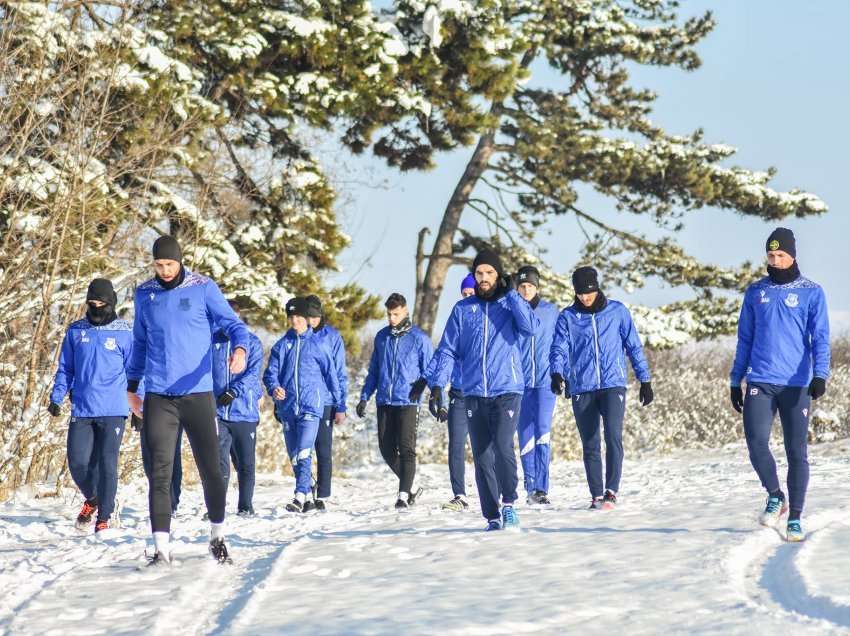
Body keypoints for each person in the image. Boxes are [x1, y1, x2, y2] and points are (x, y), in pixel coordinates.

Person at [127, 236, 249, 566]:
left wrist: (240, 350)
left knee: (211, 468)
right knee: (160, 472)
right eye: (158, 265)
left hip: (198, 395)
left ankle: (217, 536)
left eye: (169, 264)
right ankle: (161, 549)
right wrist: (131, 386)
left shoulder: (203, 288)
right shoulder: (145, 295)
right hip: (159, 396)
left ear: (180, 261)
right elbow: (139, 342)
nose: (164, 270)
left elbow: (234, 325)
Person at [427, 250, 539, 531]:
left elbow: (530, 327)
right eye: (479, 273)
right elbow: (447, 350)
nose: (484, 278)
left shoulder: (509, 305)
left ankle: (509, 504)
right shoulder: (463, 310)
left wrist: (513, 294)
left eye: (490, 273)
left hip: (507, 389)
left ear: (498, 275)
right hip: (474, 391)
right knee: (482, 455)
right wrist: (437, 384)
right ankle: (491, 515)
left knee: (502, 445)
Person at [730, 228, 829, 542]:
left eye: (781, 255)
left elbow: (821, 339)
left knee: (796, 451)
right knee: (756, 443)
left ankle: (796, 516)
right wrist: (736, 380)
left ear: (792, 255)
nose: (776, 260)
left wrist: (820, 375)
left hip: (795, 384)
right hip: (760, 379)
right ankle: (776, 494)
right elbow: (744, 339)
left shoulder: (812, 292)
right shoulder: (756, 292)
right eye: (771, 256)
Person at [549, 266, 653, 511]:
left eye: (589, 292)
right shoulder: (568, 317)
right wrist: (557, 372)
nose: (585, 297)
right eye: (580, 293)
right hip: (582, 387)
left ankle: (611, 491)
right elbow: (559, 349)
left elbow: (633, 346)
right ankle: (596, 495)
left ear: (597, 288)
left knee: (613, 436)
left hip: (612, 384)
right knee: (590, 442)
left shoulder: (617, 312)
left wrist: (645, 380)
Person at [48, 278, 132, 533]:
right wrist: (57, 396)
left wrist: (140, 407)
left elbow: (137, 372)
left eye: (101, 303)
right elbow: (66, 368)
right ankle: (94, 499)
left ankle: (104, 516)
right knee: (78, 462)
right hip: (82, 408)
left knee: (107, 463)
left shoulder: (125, 333)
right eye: (91, 303)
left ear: (111, 304)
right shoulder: (76, 331)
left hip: (114, 410)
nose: (96, 308)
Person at [263, 297, 340, 513]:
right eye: (292, 317)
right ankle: (307, 495)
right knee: (295, 456)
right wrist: (274, 388)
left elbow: (331, 375)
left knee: (305, 451)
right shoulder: (281, 345)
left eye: (299, 317)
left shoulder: (319, 345)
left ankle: (298, 496)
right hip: (288, 408)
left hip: (311, 407)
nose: (295, 321)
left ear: (307, 319)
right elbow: (270, 375)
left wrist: (339, 404)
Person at [357, 293, 433, 510]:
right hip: (385, 400)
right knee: (386, 449)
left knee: (406, 448)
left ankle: (402, 496)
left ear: (405, 311)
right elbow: (374, 370)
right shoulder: (382, 337)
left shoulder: (419, 338)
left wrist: (424, 384)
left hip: (408, 400)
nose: (392, 318)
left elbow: (431, 368)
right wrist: (364, 397)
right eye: (389, 314)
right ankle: (410, 484)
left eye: (396, 314)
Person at [421, 274, 476, 511]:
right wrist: (435, 388)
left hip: (483, 394)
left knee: (487, 447)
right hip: (459, 394)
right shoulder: (458, 317)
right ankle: (460, 495)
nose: (466, 297)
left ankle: (496, 493)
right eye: (464, 294)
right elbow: (444, 355)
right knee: (455, 444)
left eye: (470, 293)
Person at [213, 300, 264, 517]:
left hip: (244, 412)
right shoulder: (210, 341)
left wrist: (235, 391)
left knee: (245, 462)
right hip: (218, 412)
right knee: (218, 461)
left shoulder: (252, 342)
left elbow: (253, 375)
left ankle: (245, 506)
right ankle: (217, 507)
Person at [514, 266, 560, 505]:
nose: (526, 290)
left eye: (530, 286)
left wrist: (561, 373)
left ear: (537, 287)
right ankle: (530, 485)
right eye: (522, 287)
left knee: (542, 430)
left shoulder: (550, 311)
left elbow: (560, 345)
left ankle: (542, 487)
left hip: (545, 381)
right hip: (519, 383)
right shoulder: (511, 311)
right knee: (524, 434)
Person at [305, 295, 347, 512]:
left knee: (323, 448)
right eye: (307, 316)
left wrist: (341, 405)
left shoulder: (332, 337)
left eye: (314, 317)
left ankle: (322, 493)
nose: (310, 321)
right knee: (301, 449)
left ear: (320, 316)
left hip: (327, 401)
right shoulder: (297, 335)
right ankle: (304, 488)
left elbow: (339, 371)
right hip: (303, 401)